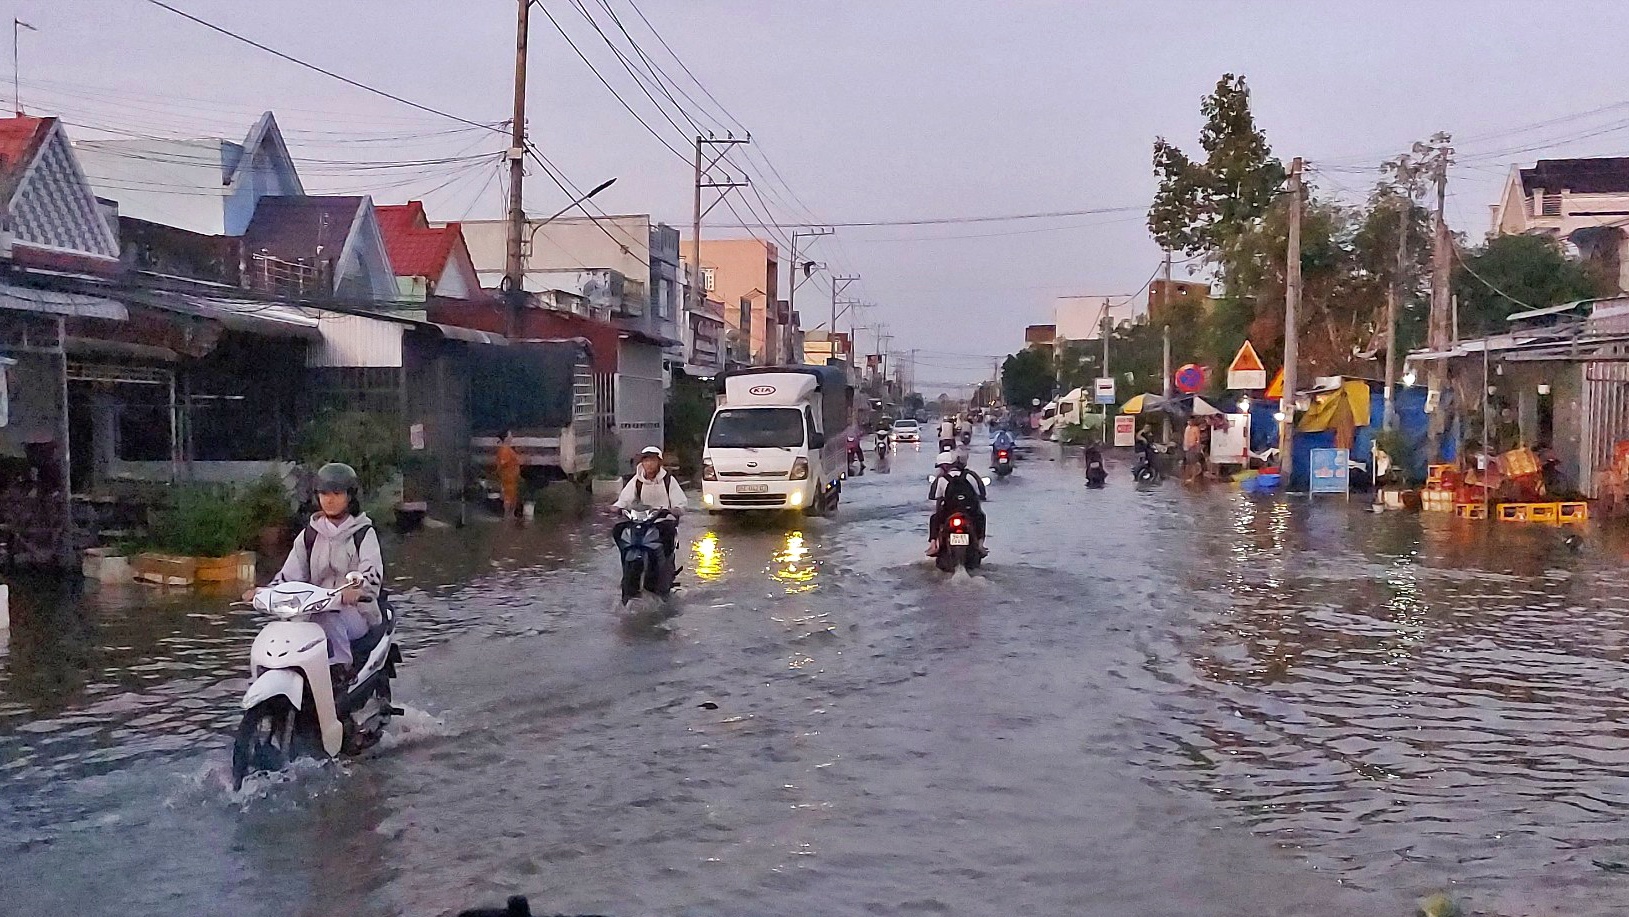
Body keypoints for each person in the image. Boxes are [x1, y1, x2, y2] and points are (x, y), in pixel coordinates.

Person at [247, 462, 384, 685]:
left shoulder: (363, 533)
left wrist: (356, 589)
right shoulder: (309, 535)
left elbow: (371, 573)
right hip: (311, 608)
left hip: (355, 612)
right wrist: (265, 592)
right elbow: (289, 575)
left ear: (350, 497)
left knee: (327, 616)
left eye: (337, 493)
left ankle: (341, 668)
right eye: (323, 493)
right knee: (283, 626)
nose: (329, 499)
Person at [613, 446, 687, 560]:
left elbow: (680, 502)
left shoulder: (668, 480)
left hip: (662, 520)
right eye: (646, 460)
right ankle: (626, 564)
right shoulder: (637, 480)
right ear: (642, 463)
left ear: (659, 462)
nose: (649, 464)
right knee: (618, 530)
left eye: (653, 460)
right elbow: (624, 499)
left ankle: (666, 567)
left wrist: (675, 509)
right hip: (640, 521)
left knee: (668, 534)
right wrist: (616, 507)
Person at [926, 450, 987, 557]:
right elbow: (981, 493)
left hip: (949, 512)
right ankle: (981, 545)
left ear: (944, 466)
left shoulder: (941, 479)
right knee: (981, 517)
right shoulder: (970, 475)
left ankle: (933, 546)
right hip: (969, 512)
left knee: (934, 519)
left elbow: (935, 497)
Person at [494, 430, 522, 518]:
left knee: (512, 497)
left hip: (511, 478)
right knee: (508, 498)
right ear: (506, 438)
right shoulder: (505, 449)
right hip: (508, 478)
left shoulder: (508, 449)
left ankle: (510, 516)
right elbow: (503, 463)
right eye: (510, 435)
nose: (512, 437)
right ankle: (507, 517)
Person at [1181, 418, 1204, 483]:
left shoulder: (1195, 428)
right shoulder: (1187, 428)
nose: (1189, 422)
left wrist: (1195, 445)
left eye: (1190, 421)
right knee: (1188, 463)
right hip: (1186, 448)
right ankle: (1187, 477)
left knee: (1193, 463)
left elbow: (1198, 439)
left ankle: (1192, 478)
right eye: (1188, 420)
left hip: (1193, 448)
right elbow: (1185, 437)